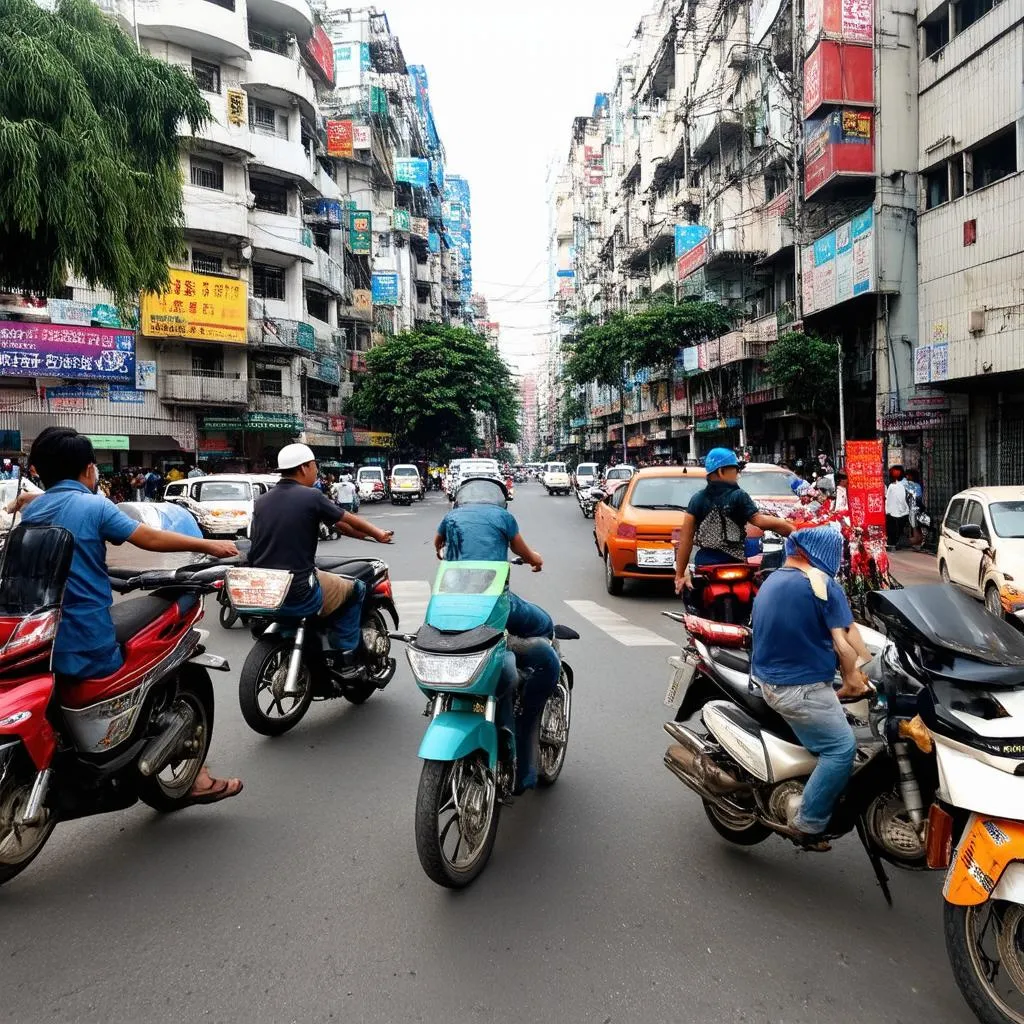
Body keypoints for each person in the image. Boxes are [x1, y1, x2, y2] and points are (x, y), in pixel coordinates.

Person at [16, 427, 243, 805]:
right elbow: (149, 538)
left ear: (39, 471)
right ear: (90, 469)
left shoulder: (32, 511)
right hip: (86, 641)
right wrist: (209, 544)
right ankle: (184, 768)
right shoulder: (95, 505)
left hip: (37, 640)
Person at [434, 476, 558, 792]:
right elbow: (525, 553)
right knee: (544, 625)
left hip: (454, 612)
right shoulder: (504, 517)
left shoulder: (450, 518)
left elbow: (437, 545)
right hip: (495, 607)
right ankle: (529, 709)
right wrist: (536, 561)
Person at [750, 527, 871, 851]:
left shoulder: (774, 579)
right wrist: (852, 681)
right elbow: (846, 647)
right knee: (841, 749)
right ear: (824, 553)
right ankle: (808, 824)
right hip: (797, 688)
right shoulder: (822, 584)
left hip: (770, 679)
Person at [248, 444, 393, 673]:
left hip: (266, 587)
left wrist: (366, 536)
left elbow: (340, 525)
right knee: (356, 589)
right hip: (299, 587)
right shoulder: (311, 496)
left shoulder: (262, 501)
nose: (317, 471)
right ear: (304, 468)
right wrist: (378, 533)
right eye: (315, 466)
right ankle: (348, 649)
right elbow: (348, 519)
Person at [674, 447, 796, 594]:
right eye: (736, 470)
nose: (738, 474)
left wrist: (679, 575)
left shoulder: (697, 499)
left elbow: (685, 539)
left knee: (694, 596)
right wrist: (792, 530)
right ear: (721, 471)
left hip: (706, 563)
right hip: (735, 562)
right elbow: (760, 521)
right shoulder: (738, 496)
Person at [885, 466, 911, 550]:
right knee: (898, 529)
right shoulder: (904, 484)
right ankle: (896, 542)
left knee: (892, 529)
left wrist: (887, 510)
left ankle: (893, 543)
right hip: (901, 512)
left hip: (892, 512)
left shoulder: (893, 486)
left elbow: (888, 499)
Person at [905, 468, 924, 550]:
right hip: (913, 508)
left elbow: (917, 498)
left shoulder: (913, 485)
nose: (907, 477)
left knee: (915, 526)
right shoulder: (916, 485)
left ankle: (915, 541)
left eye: (908, 475)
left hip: (914, 509)